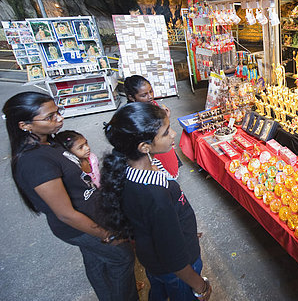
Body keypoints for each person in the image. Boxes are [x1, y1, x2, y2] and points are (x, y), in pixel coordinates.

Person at [2, 91, 138, 301]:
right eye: (50, 117)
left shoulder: (47, 142)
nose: (59, 118)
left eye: (57, 112)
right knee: (122, 257)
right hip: (79, 226)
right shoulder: (34, 162)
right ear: (24, 125)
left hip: (91, 216)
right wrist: (105, 234)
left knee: (96, 260)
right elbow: (65, 214)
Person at [99, 102, 212, 301]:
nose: (174, 134)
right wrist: (200, 286)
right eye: (166, 132)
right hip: (178, 270)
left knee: (159, 291)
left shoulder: (128, 170)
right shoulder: (155, 195)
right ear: (144, 147)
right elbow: (174, 258)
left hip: (152, 259)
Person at [124, 75, 180, 178]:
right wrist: (164, 119)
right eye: (144, 95)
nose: (150, 96)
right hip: (154, 152)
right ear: (131, 97)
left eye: (151, 91)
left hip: (162, 147)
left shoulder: (151, 104)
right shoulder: (134, 117)